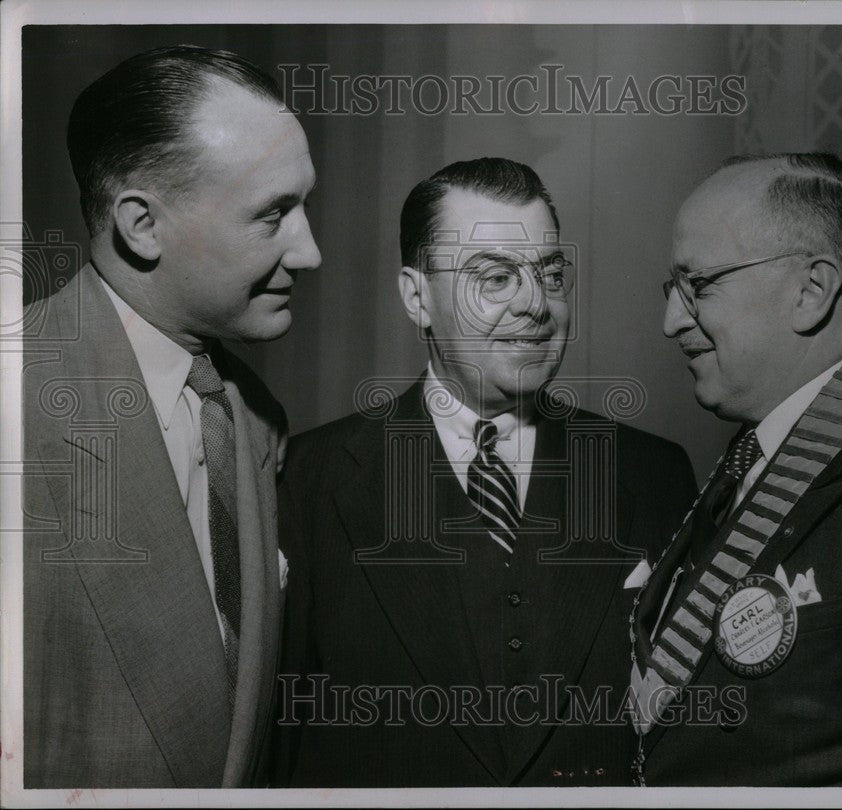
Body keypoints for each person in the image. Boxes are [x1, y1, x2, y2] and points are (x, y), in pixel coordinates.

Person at [275, 157, 696, 787]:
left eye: (550, 274)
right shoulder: (308, 481)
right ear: (417, 297)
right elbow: (279, 751)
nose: (535, 305)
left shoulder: (652, 474)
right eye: (494, 278)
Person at [22, 45, 321, 788]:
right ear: (142, 225)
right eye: (273, 215)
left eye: (303, 205)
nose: (310, 250)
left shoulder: (254, 419)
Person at [631, 153, 842, 786]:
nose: (671, 321)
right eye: (670, 290)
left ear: (811, 291)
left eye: (698, 285)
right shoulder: (747, 463)